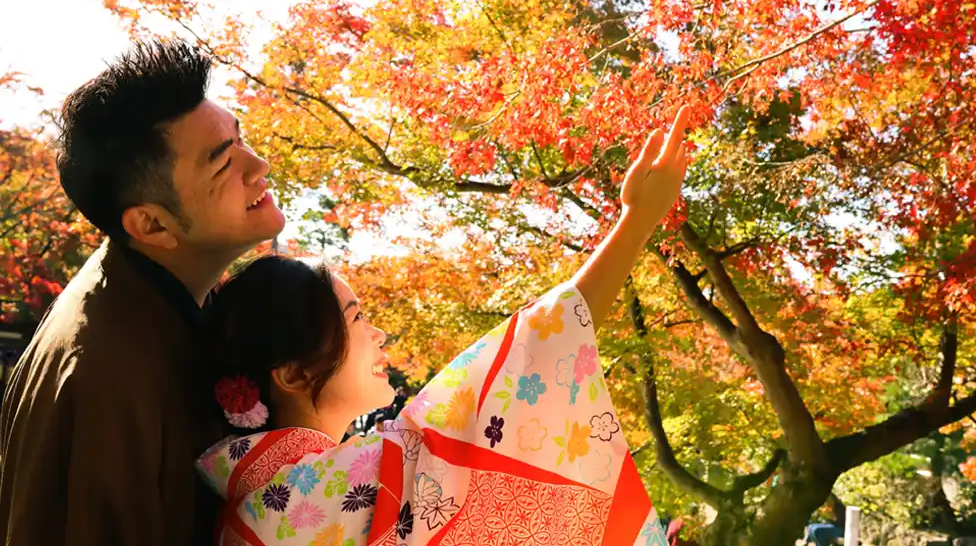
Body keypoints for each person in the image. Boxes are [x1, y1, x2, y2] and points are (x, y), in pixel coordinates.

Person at [196, 107, 691, 545]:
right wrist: (636, 223)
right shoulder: (336, 486)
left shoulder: (259, 504)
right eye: (355, 318)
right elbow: (530, 356)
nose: (377, 334)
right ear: (294, 374)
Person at [0, 39, 286, 545]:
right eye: (223, 164)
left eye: (241, 139)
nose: (259, 165)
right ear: (151, 224)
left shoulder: (154, 305)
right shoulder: (107, 371)